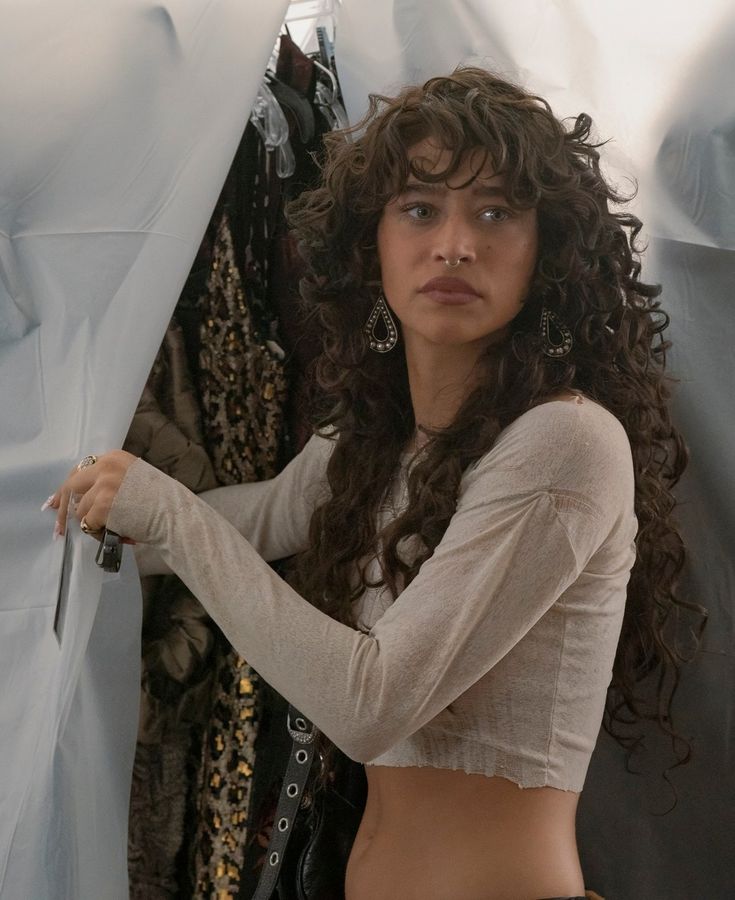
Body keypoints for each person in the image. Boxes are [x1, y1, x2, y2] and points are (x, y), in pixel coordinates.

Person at [48, 67, 699, 900]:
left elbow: (371, 706)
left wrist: (169, 516)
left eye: (495, 212)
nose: (454, 244)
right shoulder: (377, 442)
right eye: (419, 209)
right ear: (371, 244)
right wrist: (64, 515)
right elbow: (251, 522)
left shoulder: (564, 443)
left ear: (548, 253)